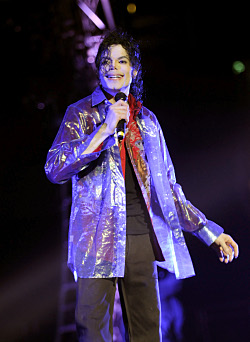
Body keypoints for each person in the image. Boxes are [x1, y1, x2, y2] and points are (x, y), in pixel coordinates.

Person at [44, 29, 239, 342]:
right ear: (98, 69)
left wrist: (208, 231)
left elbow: (169, 189)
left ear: (133, 70)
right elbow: (54, 169)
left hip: (140, 238)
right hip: (96, 240)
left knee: (148, 330)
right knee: (93, 331)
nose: (113, 66)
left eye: (121, 60)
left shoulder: (147, 120)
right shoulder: (80, 114)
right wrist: (104, 130)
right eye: (106, 61)